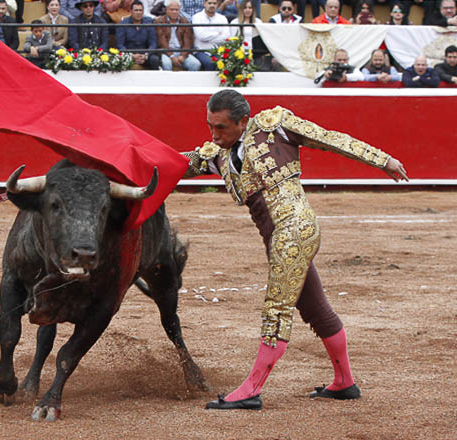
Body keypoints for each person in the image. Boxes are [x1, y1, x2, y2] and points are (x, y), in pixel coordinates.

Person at [181, 89, 408, 411]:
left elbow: (331, 139)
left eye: (221, 127)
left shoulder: (276, 127)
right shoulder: (217, 155)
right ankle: (344, 382)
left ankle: (251, 390)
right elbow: (176, 163)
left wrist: (383, 160)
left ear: (243, 121)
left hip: (295, 231)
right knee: (315, 308)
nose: (214, 135)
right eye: (210, 126)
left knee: (276, 309)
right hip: (275, 238)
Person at [154, 0, 201, 71]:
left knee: (195, 64)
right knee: (166, 64)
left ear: (180, 10)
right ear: (166, 9)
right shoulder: (159, 21)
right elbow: (162, 41)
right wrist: (171, 56)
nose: (174, 12)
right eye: (172, 9)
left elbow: (188, 41)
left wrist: (183, 55)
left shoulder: (185, 21)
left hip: (181, 51)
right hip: (166, 52)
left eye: (176, 10)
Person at [115, 1, 159, 69]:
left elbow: (153, 44)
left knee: (155, 60)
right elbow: (120, 45)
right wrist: (132, 56)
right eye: (136, 10)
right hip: (128, 54)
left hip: (144, 55)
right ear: (131, 11)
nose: (138, 13)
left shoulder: (148, 23)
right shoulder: (123, 24)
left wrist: (145, 55)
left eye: (140, 10)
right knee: (119, 60)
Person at [192, 0, 229, 70]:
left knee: (223, 62)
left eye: (214, 3)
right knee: (210, 63)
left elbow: (225, 37)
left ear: (217, 5)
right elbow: (201, 36)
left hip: (217, 50)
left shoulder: (222, 18)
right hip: (201, 50)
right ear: (204, 4)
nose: (212, 5)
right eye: (209, 3)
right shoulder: (196, 17)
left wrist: (207, 39)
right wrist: (217, 33)